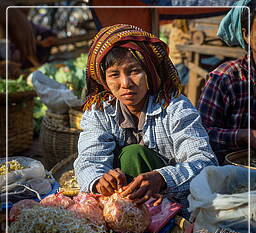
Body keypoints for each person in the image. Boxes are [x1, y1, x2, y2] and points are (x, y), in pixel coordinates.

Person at [74, 24, 218, 218]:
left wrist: (163, 178)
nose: (125, 84)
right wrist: (99, 180)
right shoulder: (99, 111)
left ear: (149, 73)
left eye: (134, 71)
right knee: (128, 156)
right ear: (104, 79)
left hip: (172, 202)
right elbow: (88, 159)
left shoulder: (175, 108)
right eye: (114, 74)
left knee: (133, 154)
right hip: (118, 206)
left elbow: (205, 162)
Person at [197, 0, 256, 164]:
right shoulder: (226, 78)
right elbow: (198, 135)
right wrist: (244, 136)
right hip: (231, 173)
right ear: (246, 35)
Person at [0, 0, 57, 68]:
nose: (28, 7)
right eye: (24, 5)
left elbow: (25, 42)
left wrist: (41, 43)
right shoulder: (12, 20)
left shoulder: (26, 24)